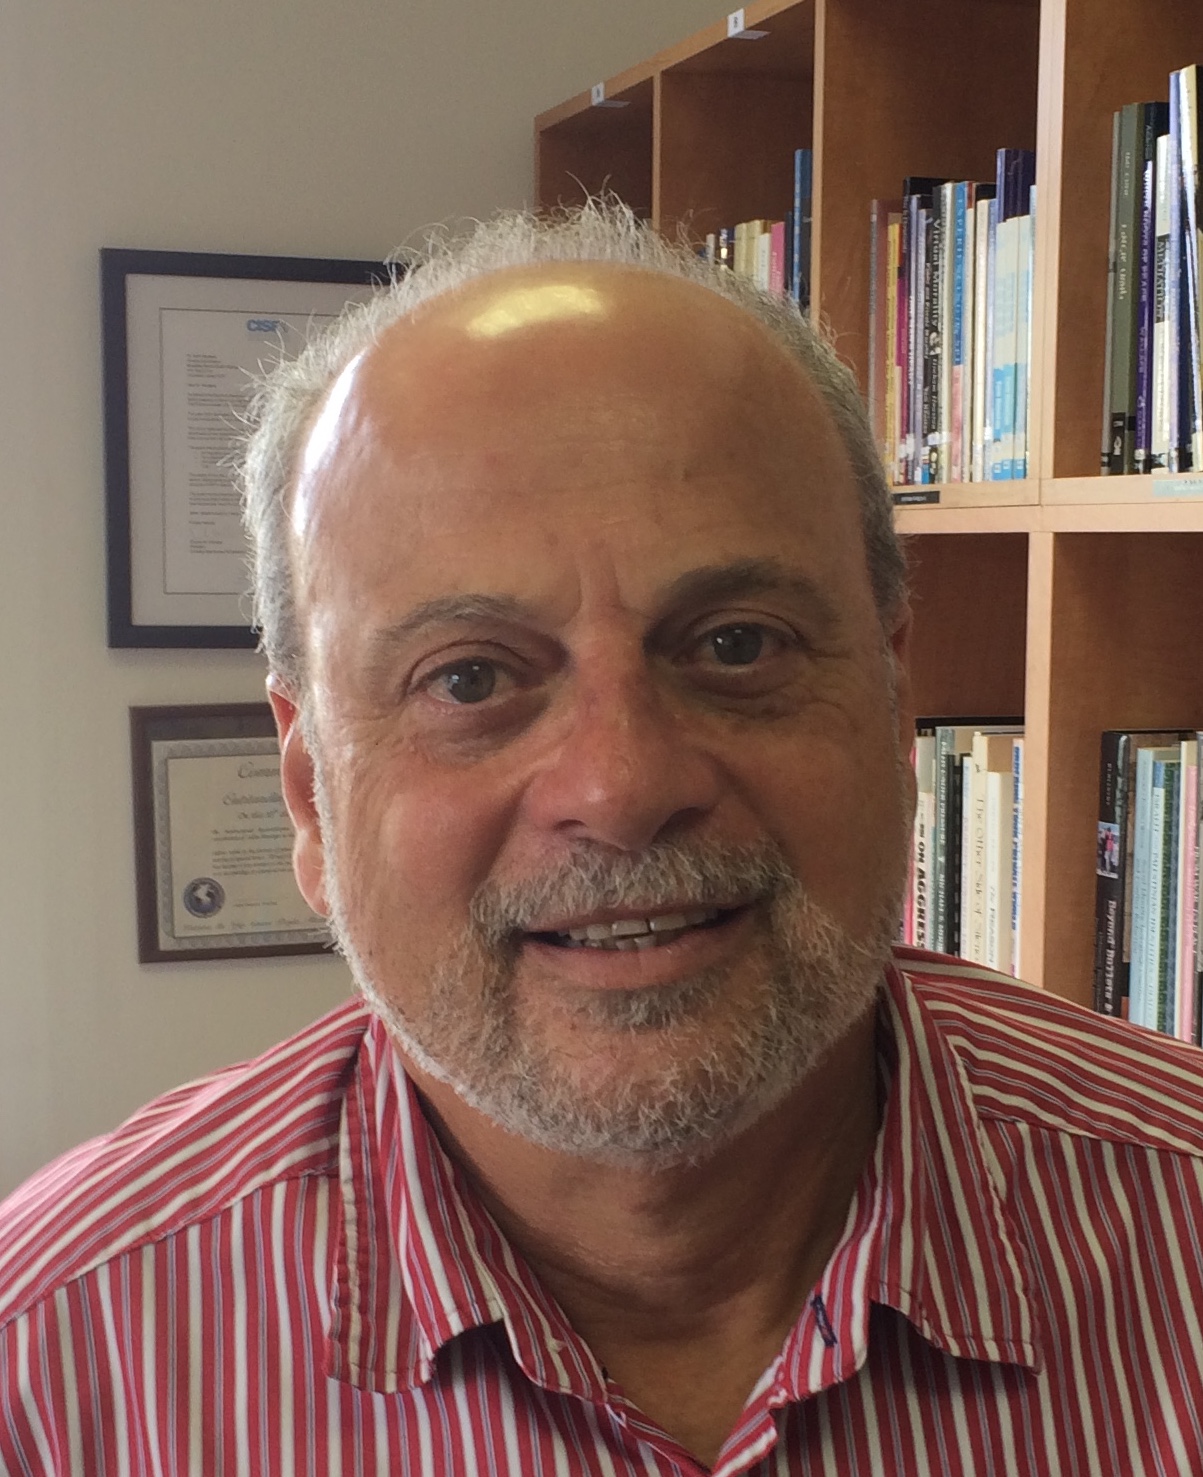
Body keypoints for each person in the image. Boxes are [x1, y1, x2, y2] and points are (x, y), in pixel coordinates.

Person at [3, 202, 1203, 1476]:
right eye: (469, 679)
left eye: (736, 643)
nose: (621, 787)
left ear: (894, 703)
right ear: (310, 793)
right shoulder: (49, 1374)